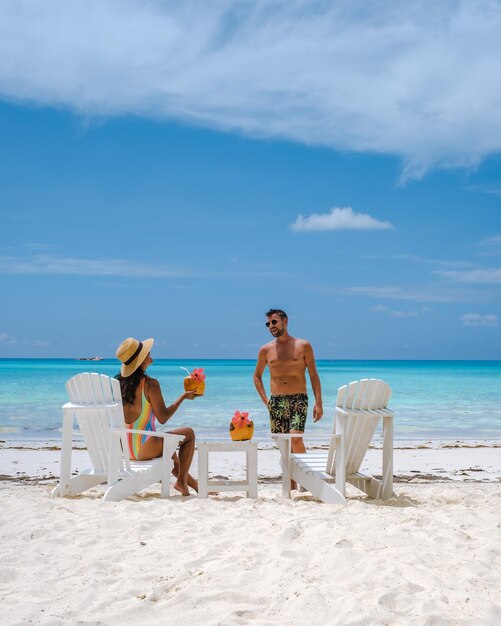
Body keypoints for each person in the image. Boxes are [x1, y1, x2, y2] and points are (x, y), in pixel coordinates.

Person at [116, 336, 198, 496]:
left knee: (171, 453)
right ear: (140, 361)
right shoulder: (150, 384)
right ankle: (181, 482)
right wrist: (183, 397)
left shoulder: (119, 384)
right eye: (146, 352)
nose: (149, 352)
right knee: (189, 433)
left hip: (125, 449)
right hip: (144, 448)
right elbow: (163, 417)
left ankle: (196, 487)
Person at [253, 309, 323, 459]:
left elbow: (313, 375)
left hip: (298, 400)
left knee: (296, 439)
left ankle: (306, 478)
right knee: (284, 446)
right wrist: (266, 401)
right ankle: (292, 483)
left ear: (285, 321)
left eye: (274, 322)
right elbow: (257, 376)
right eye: (268, 323)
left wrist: (319, 403)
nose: (271, 326)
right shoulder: (265, 350)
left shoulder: (303, 346)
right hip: (276, 401)